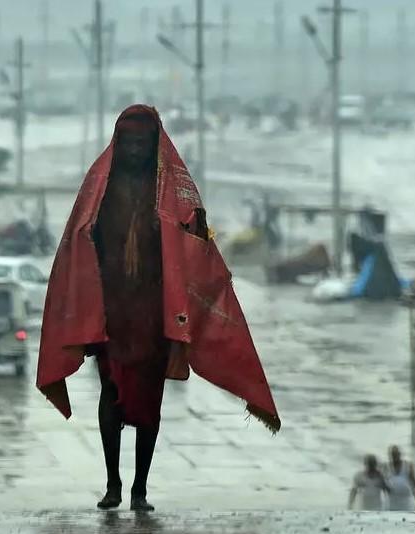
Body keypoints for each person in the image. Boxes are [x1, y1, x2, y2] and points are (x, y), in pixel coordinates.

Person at [36, 105, 281, 512]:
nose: (134, 151)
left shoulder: (173, 191)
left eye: (141, 143)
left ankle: (140, 490)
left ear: (153, 146)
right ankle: (113, 484)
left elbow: (196, 242)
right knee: (111, 393)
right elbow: (78, 239)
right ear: (117, 143)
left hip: (155, 312)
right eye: (127, 143)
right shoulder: (99, 186)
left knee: (150, 399)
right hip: (111, 311)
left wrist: (194, 240)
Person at [385, 445, 415, 511]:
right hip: (391, 501)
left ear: (400, 454)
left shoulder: (408, 465)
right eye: (392, 455)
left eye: (396, 454)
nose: (394, 457)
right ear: (390, 456)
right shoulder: (386, 467)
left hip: (407, 501)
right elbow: (382, 483)